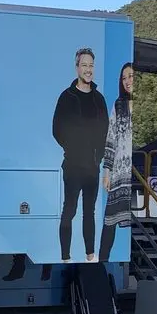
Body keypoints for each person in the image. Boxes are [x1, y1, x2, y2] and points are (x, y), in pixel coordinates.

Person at [52, 47, 109, 262]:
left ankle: (89, 255)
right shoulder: (67, 97)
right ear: (77, 68)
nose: (88, 69)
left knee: (90, 213)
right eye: (84, 65)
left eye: (91, 66)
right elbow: (56, 128)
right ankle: (65, 256)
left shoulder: (98, 99)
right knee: (69, 210)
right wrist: (72, 148)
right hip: (73, 165)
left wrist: (99, 156)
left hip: (92, 166)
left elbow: (105, 130)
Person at [98, 62, 134, 263]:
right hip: (120, 172)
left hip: (135, 175)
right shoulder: (119, 105)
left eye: (131, 76)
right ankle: (101, 261)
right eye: (125, 78)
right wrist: (107, 171)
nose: (128, 81)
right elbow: (110, 138)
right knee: (109, 221)